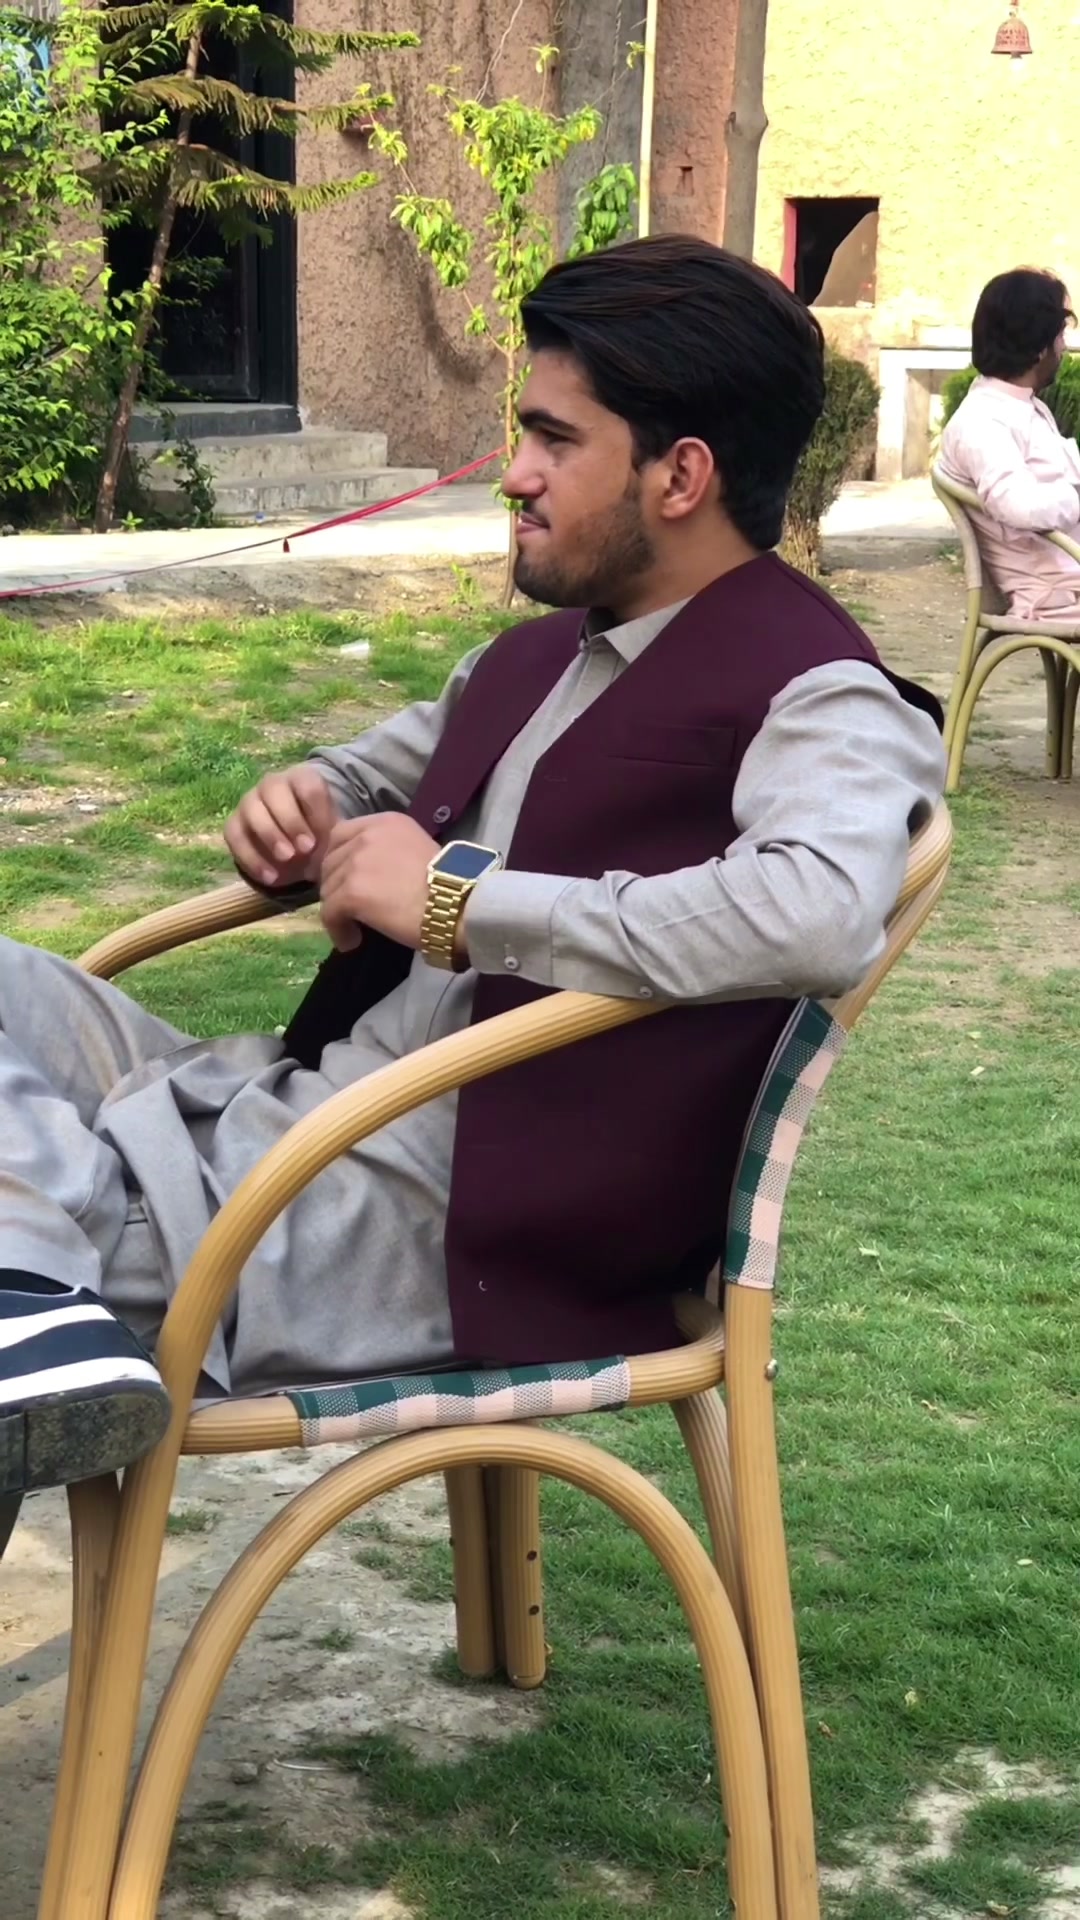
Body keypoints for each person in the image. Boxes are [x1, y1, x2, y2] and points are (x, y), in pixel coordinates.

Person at [0, 235, 946, 1509]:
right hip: (276, 1120)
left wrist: (456, 902)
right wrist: (309, 798)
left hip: (399, 1225)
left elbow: (816, 912)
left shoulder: (821, 694)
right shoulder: (540, 658)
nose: (515, 474)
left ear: (681, 475)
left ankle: (28, 1282)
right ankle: (30, 1296)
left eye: (555, 441)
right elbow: (371, 772)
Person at [938, 267, 1080, 618]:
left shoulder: (1018, 406)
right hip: (1056, 598)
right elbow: (1020, 506)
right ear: (1039, 348)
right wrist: (1076, 496)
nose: (1064, 348)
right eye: (1059, 336)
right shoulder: (983, 421)